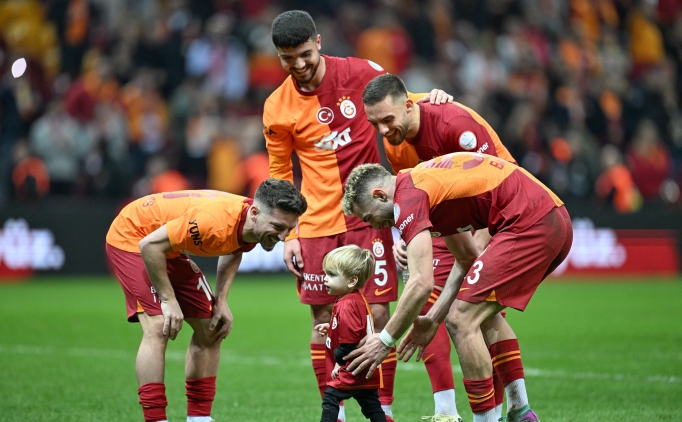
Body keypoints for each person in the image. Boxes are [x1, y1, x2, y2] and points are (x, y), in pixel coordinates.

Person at [263, 10, 453, 421]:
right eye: (287, 58)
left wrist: (432, 98)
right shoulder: (276, 107)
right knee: (323, 318)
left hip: (367, 217)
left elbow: (400, 101)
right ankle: (336, 414)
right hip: (315, 224)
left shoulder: (360, 72)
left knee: (379, 313)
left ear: (318, 42)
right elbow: (280, 175)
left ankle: (382, 410)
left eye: (304, 54)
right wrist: (289, 234)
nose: (298, 65)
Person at [341, 154, 572, 422]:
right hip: (553, 217)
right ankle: (520, 411)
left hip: (529, 221)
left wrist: (384, 341)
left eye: (369, 217)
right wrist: (433, 319)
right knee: (479, 313)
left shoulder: (408, 199)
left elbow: (421, 283)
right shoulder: (426, 185)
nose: (374, 226)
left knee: (462, 319)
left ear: (380, 195)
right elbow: (466, 258)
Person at [363, 73, 529, 421]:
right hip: (449, 216)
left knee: (476, 314)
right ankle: (454, 411)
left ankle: (511, 410)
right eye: (375, 123)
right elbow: (408, 195)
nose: (382, 130)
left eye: (387, 119)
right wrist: (407, 236)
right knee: (439, 308)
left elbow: (493, 183)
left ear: (409, 105)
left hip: (499, 212)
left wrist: (477, 257)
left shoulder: (456, 125)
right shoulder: (395, 140)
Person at [105, 179, 307, 422]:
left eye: (289, 229)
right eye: (278, 227)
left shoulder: (254, 222)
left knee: (212, 327)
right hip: (134, 236)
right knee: (158, 326)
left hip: (164, 245)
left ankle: (199, 419)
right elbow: (150, 246)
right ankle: (156, 419)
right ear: (254, 213)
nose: (283, 236)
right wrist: (168, 300)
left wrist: (221, 300)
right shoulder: (212, 222)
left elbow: (235, 247)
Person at [315, 245, 387, 422]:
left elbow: (349, 343)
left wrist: (339, 364)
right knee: (372, 406)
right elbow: (355, 327)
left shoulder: (346, 304)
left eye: (332, 275)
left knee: (331, 397)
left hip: (353, 367)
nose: (325, 278)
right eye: (326, 273)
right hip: (364, 367)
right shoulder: (355, 298)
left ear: (351, 281)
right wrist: (331, 327)